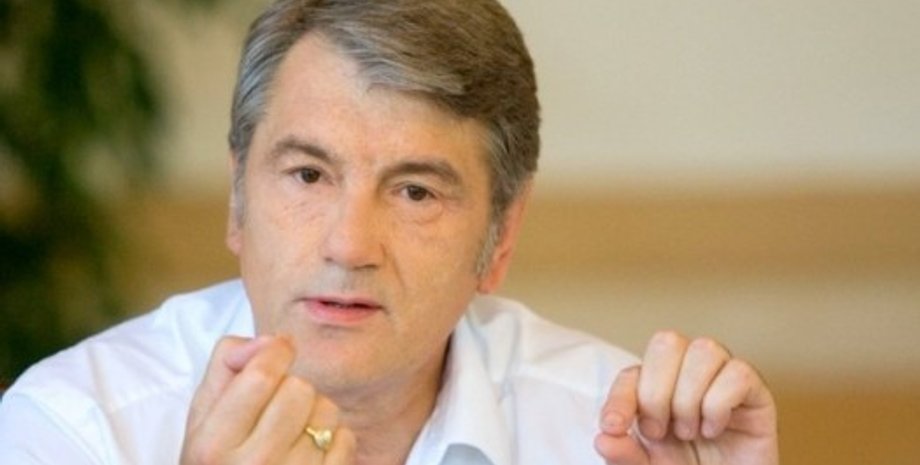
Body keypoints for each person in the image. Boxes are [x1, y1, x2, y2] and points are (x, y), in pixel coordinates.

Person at [0, 1, 778, 464]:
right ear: (238, 201)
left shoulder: (612, 433)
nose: (349, 245)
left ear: (501, 236)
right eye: (309, 175)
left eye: (414, 191)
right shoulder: (75, 429)